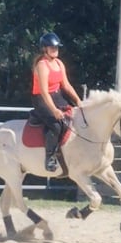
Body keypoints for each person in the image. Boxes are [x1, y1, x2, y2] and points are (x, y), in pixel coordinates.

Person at [31, 32, 83, 171]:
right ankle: (50, 157)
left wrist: (78, 101)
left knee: (74, 116)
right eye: (52, 48)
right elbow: (43, 91)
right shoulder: (42, 65)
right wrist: (54, 110)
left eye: (57, 48)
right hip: (42, 98)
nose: (55, 50)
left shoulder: (59, 63)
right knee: (57, 124)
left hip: (57, 95)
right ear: (44, 49)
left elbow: (66, 85)